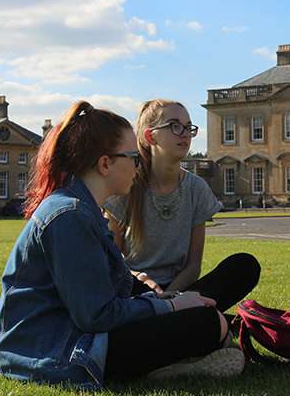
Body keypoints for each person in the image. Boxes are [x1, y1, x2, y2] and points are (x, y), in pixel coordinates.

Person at [0, 101, 244, 389]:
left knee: (206, 316)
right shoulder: (69, 216)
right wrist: (170, 307)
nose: (139, 165)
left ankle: (173, 361)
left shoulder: (83, 209)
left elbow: (108, 294)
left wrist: (163, 298)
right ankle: (174, 362)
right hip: (54, 349)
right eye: (133, 157)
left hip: (74, 335)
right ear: (106, 164)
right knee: (208, 324)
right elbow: (97, 316)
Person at [104, 99, 260, 313]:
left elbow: (193, 265)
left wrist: (170, 300)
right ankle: (194, 323)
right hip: (135, 291)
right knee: (194, 316)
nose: (185, 133)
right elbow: (113, 260)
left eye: (188, 127)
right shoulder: (128, 185)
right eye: (175, 126)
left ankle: (179, 319)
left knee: (245, 266)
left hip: (182, 291)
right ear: (150, 136)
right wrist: (153, 295)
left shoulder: (196, 188)